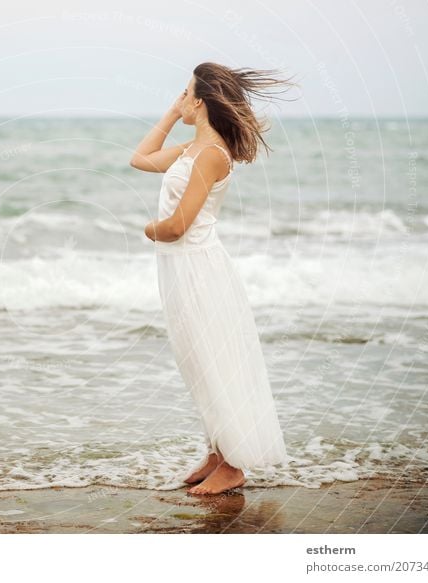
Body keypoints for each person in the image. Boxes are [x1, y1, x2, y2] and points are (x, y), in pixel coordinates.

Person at [130, 62, 295, 495]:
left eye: (185, 93)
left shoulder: (209, 155)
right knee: (196, 362)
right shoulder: (192, 148)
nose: (181, 99)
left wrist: (149, 229)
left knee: (213, 360)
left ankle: (235, 464)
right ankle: (218, 451)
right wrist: (170, 114)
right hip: (181, 267)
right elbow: (140, 159)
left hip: (198, 267)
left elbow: (177, 225)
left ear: (201, 101)